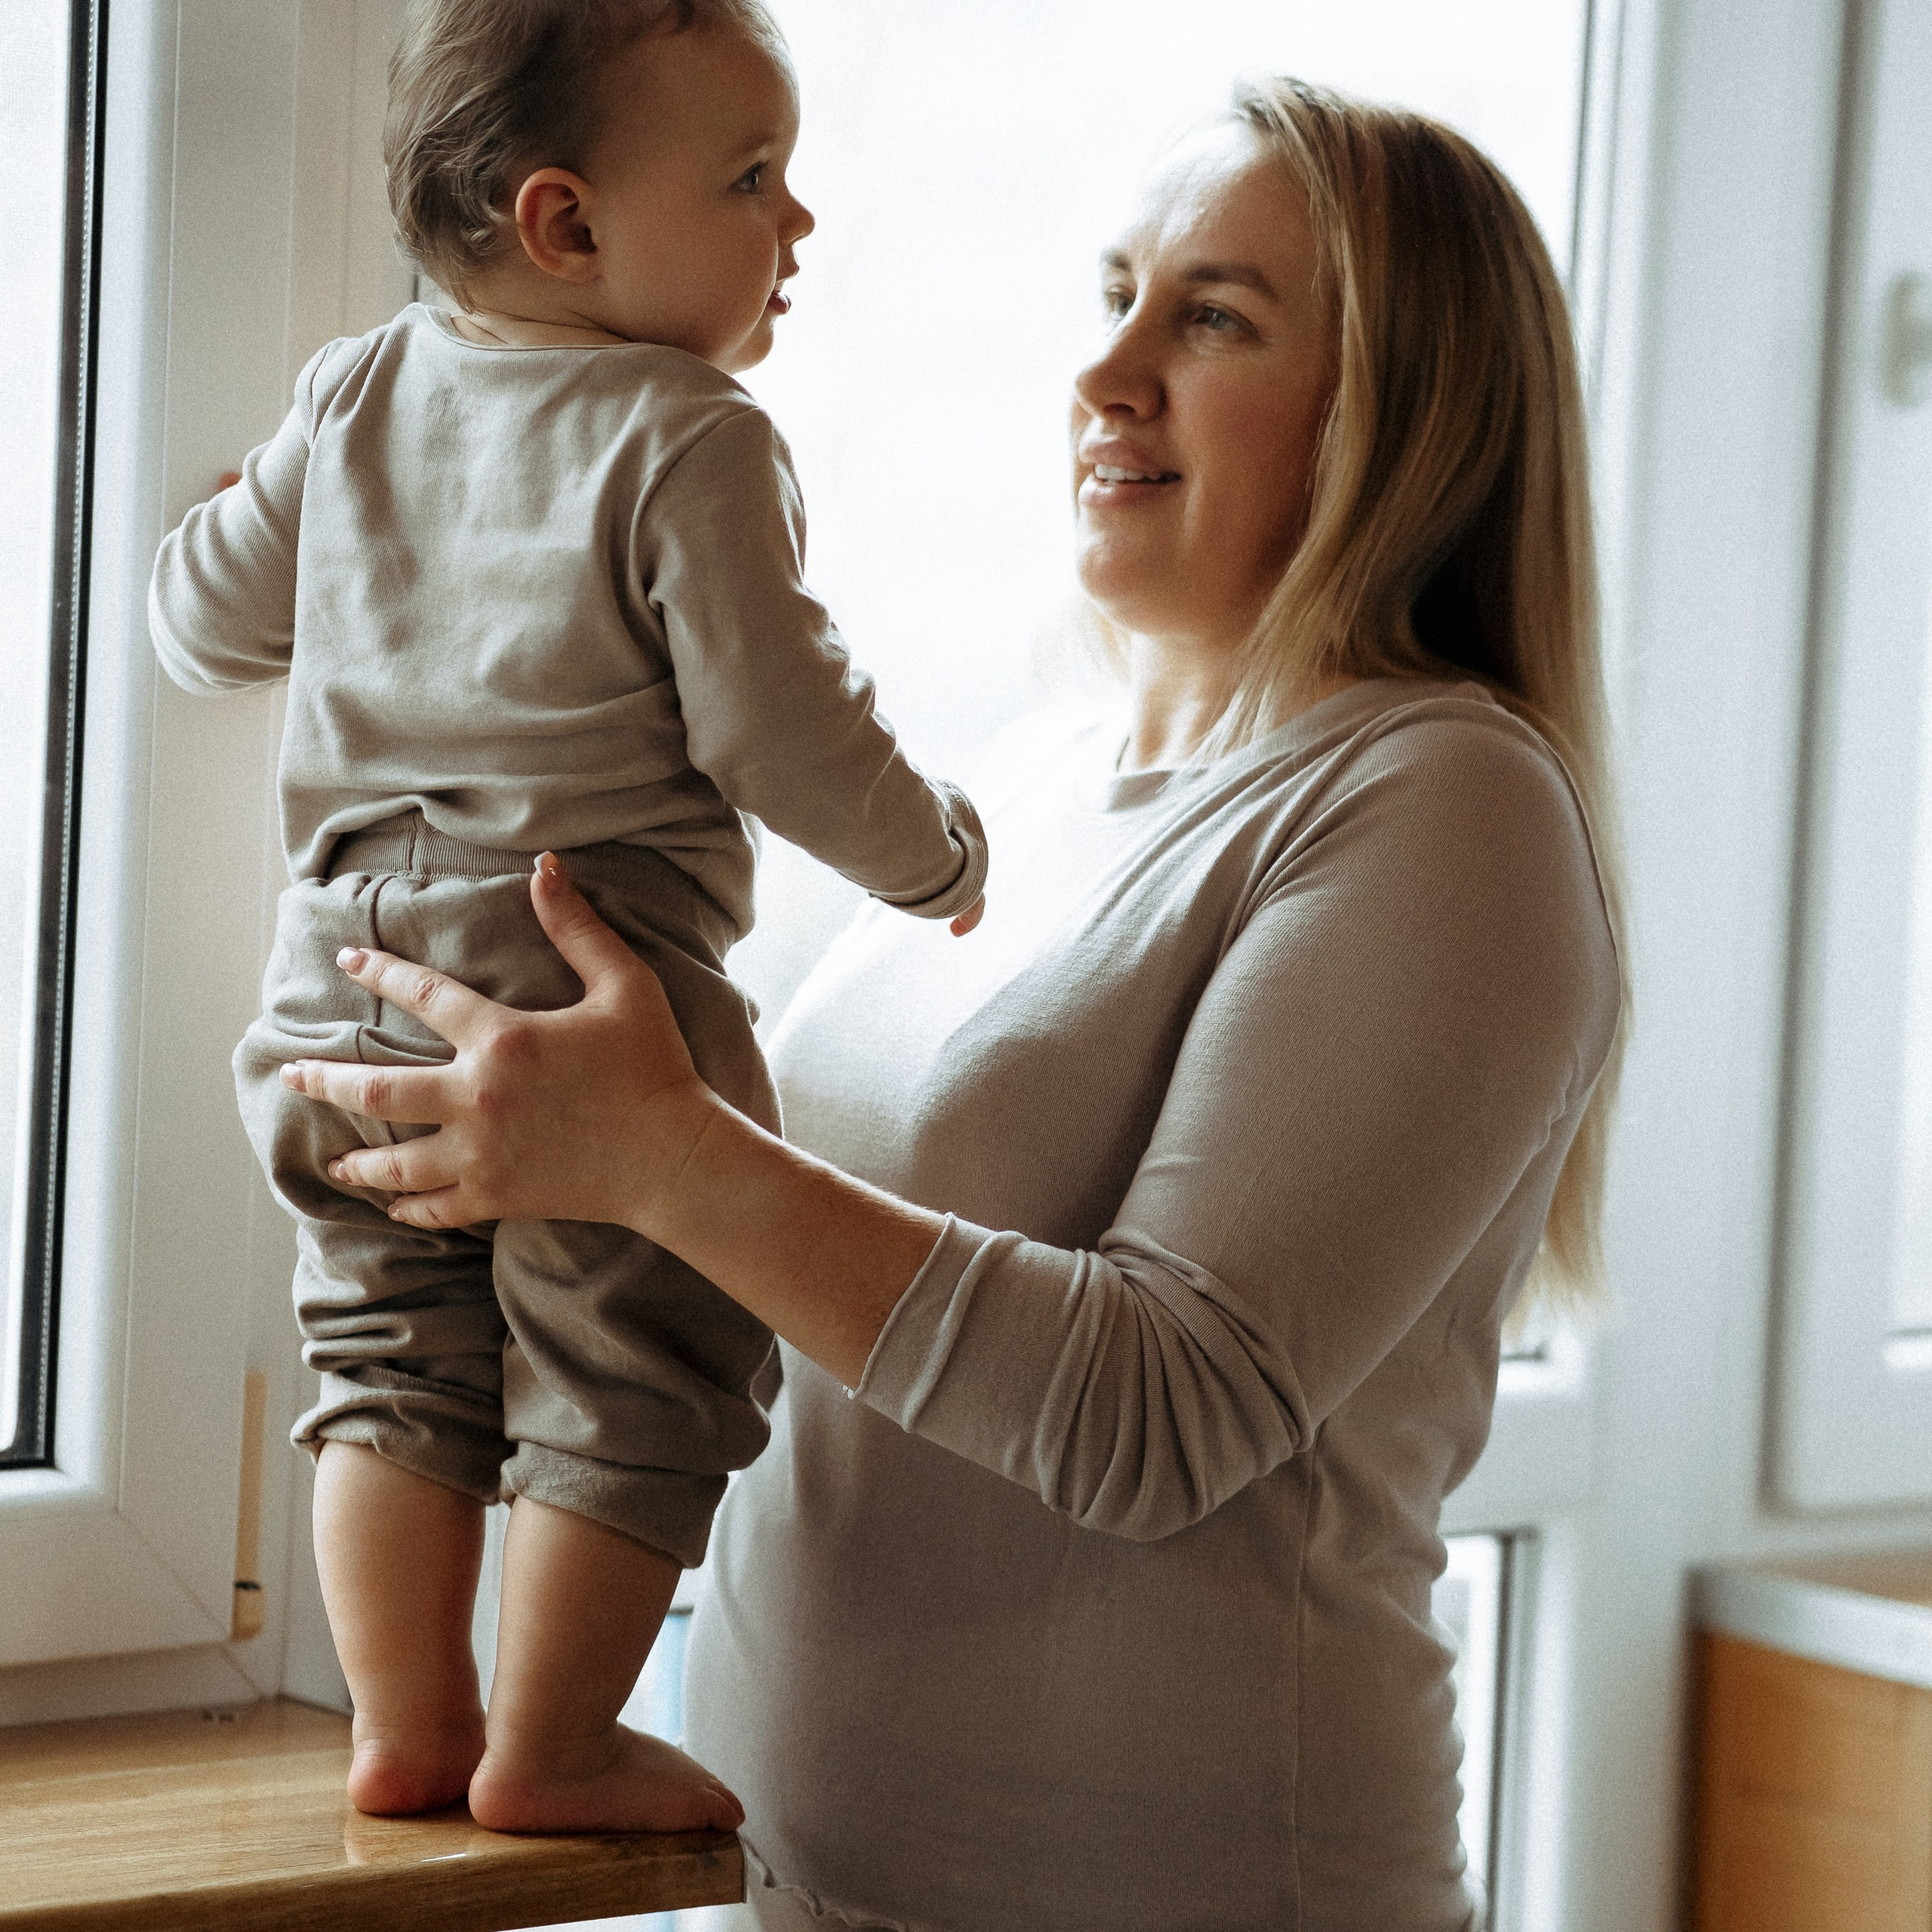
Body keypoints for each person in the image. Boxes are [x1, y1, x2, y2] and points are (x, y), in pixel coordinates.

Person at [279, 75, 1626, 1932]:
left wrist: (665, 1158)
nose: (1104, 377)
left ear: (1407, 415)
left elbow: (1164, 1407)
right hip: (806, 1881)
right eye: (1112, 297)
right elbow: (784, 1253)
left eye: (1211, 316)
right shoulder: (1042, 777)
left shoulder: (1441, 802)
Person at [148, 0, 988, 1838]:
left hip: (342, 981)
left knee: (384, 1347)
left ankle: (406, 1722)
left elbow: (201, 617)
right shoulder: (691, 431)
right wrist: (932, 857)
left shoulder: (355, 390)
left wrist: (237, 519)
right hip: (579, 971)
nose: (800, 224)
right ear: (565, 226)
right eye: (755, 178)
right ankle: (554, 1737)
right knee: (633, 1349)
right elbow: (776, 717)